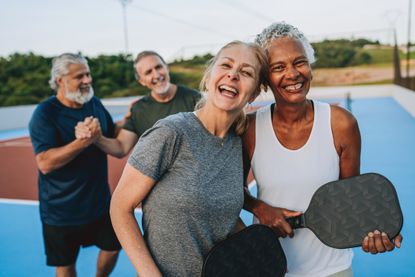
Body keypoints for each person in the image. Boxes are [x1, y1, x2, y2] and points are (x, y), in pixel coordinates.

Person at [242, 22, 403, 277]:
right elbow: (230, 193)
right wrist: (259, 208)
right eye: (278, 67)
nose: (293, 73)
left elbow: (351, 199)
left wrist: (373, 232)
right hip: (270, 267)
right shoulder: (249, 129)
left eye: (300, 62)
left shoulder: (342, 124)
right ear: (264, 77)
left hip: (333, 269)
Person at [109, 41, 269, 277]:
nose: (233, 74)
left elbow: (222, 217)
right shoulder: (171, 133)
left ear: (254, 92)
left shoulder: (239, 144)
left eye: (246, 72)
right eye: (226, 65)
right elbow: (120, 207)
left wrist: (254, 252)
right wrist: (149, 274)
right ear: (208, 77)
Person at [28, 53, 121, 277]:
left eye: (88, 73)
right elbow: (45, 163)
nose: (87, 80)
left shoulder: (94, 103)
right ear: (60, 80)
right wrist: (82, 142)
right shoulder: (45, 113)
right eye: (79, 76)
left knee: (113, 247)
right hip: (61, 211)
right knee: (66, 264)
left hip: (99, 203)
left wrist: (135, 116)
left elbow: (113, 132)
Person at [75, 51, 201, 158]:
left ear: (166, 68)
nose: (156, 75)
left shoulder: (195, 99)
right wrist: (97, 138)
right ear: (142, 81)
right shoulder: (138, 109)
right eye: (148, 72)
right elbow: (121, 147)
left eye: (158, 67)